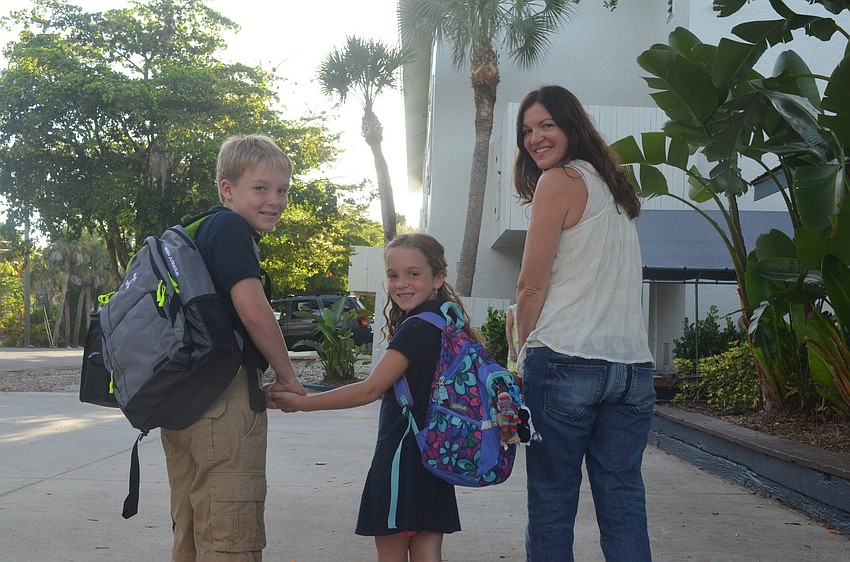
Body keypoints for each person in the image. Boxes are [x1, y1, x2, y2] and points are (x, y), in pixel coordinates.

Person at [513, 85, 656, 562]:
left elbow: (531, 287)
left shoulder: (559, 181)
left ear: (571, 125)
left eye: (546, 125)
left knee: (552, 503)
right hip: (632, 370)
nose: (535, 138)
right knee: (623, 500)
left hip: (565, 361)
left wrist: (515, 358)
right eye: (528, 130)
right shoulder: (617, 192)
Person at [268, 233, 466, 562]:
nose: (402, 283)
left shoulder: (416, 329)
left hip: (401, 459)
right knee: (428, 552)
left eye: (413, 273)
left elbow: (369, 389)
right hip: (434, 455)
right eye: (393, 275)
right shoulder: (447, 322)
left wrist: (303, 403)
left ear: (438, 277)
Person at [160, 134, 307, 562]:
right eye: (260, 188)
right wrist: (288, 377)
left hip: (184, 401)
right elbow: (255, 312)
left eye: (282, 190)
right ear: (228, 189)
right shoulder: (229, 229)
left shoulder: (198, 230)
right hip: (222, 403)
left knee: (191, 530)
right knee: (230, 536)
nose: (274, 200)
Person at [505, 303, 519, 375]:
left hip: (526, 346)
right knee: (514, 373)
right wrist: (511, 349)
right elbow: (508, 329)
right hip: (515, 346)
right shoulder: (512, 309)